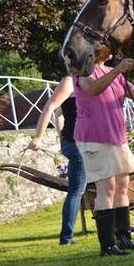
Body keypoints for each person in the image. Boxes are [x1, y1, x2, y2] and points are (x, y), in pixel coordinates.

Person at [73, 57, 134, 256]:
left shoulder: (113, 72)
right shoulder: (82, 70)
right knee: (107, 188)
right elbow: (92, 90)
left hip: (116, 137)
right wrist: (117, 70)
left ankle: (124, 239)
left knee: (122, 186)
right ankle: (107, 246)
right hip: (94, 137)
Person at [28, 76, 86, 246]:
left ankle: (118, 227)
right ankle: (66, 238)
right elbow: (50, 107)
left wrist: (62, 138)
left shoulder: (89, 80)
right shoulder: (69, 81)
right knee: (77, 191)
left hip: (85, 141)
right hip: (78, 144)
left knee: (104, 184)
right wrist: (38, 137)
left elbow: (60, 114)